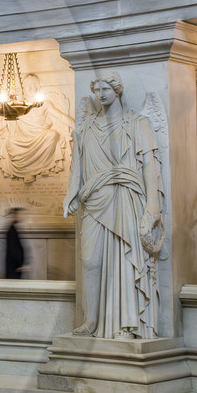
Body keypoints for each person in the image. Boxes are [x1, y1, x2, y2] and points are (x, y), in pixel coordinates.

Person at [64, 73, 165, 339]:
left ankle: (126, 324)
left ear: (117, 89)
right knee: (90, 260)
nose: (101, 94)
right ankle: (90, 321)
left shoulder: (137, 123)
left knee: (123, 261)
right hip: (94, 201)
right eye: (97, 90)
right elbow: (77, 166)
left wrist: (152, 207)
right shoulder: (87, 127)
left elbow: (150, 168)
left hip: (125, 198)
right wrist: (71, 195)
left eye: (106, 88)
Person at [3, 207, 27, 279]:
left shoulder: (13, 229)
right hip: (14, 267)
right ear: (15, 216)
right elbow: (14, 249)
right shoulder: (12, 231)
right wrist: (20, 264)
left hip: (14, 267)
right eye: (20, 215)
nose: (21, 217)